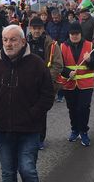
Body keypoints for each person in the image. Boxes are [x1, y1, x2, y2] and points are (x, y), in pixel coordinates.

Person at [0, 25, 55, 182]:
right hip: (3, 130)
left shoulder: (36, 63)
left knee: (27, 170)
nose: (8, 44)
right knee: (8, 173)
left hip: (29, 129)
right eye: (5, 40)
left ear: (23, 41)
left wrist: (33, 114)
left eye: (13, 40)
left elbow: (47, 94)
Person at [57, 22, 94, 146]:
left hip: (85, 84)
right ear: (69, 34)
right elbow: (59, 66)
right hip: (69, 83)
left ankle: (84, 131)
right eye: (72, 34)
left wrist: (90, 60)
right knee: (72, 108)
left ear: (81, 34)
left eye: (77, 34)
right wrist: (67, 72)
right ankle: (75, 130)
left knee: (84, 108)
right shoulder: (63, 46)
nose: (74, 36)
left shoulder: (90, 46)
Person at [27, 16, 64, 149]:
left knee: (41, 113)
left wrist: (45, 79)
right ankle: (29, 138)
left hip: (44, 85)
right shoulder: (23, 42)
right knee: (27, 112)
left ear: (43, 29)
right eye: (34, 28)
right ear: (30, 29)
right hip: (27, 85)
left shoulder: (52, 45)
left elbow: (58, 65)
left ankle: (40, 139)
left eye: (39, 28)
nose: (36, 31)